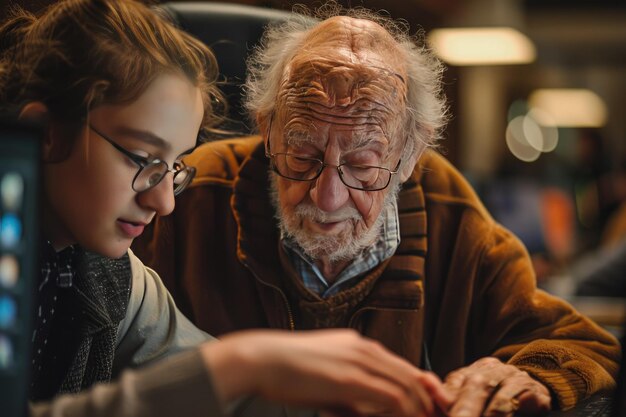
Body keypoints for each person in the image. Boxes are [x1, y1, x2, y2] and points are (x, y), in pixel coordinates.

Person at [132, 3, 621, 416]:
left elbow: (585, 344)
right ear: (267, 128)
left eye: (362, 167)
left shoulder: (446, 208)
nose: (327, 196)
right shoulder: (189, 193)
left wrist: (517, 372)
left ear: (410, 153)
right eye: (302, 156)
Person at [0, 1, 451, 416]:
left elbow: (238, 399)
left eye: (174, 167)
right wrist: (238, 364)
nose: (164, 201)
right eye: (141, 159)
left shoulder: (113, 275)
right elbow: (223, 379)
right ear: (45, 132)